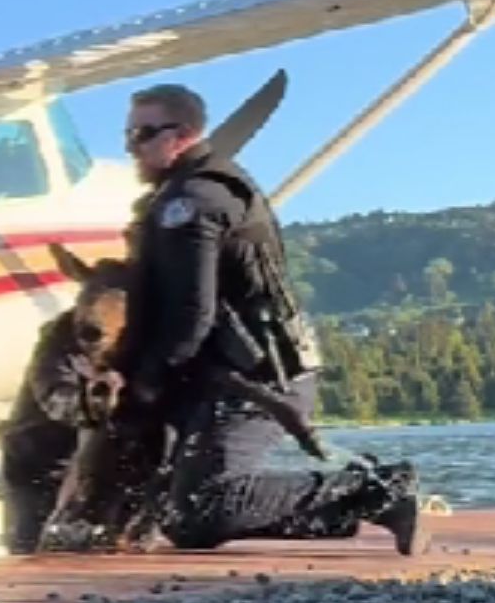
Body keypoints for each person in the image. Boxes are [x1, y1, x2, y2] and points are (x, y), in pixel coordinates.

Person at [116, 82, 426, 555]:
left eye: (142, 134)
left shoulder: (195, 202)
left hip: (258, 377)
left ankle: (376, 492)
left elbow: (191, 313)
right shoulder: (186, 193)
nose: (131, 148)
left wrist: (145, 383)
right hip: (227, 372)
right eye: (128, 135)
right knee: (170, 503)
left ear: (180, 135)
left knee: (202, 511)